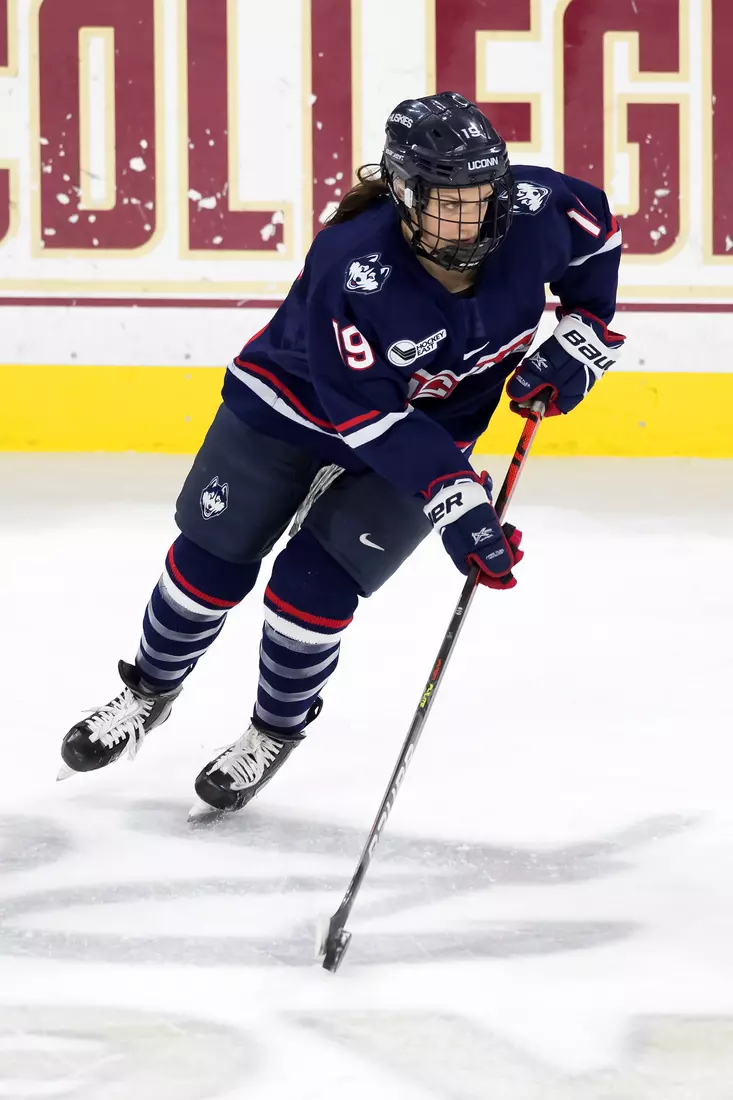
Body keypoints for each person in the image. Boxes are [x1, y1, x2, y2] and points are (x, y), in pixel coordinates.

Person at [59, 91, 625, 817]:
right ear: (401, 192)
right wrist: (456, 498)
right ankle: (147, 692)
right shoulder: (353, 265)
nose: (471, 217)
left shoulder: (539, 208)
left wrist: (584, 338)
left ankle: (272, 731)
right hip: (291, 407)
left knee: (311, 593)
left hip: (427, 435)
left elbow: (598, 241)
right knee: (213, 560)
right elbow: (367, 412)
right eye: (447, 201)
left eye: (482, 196)